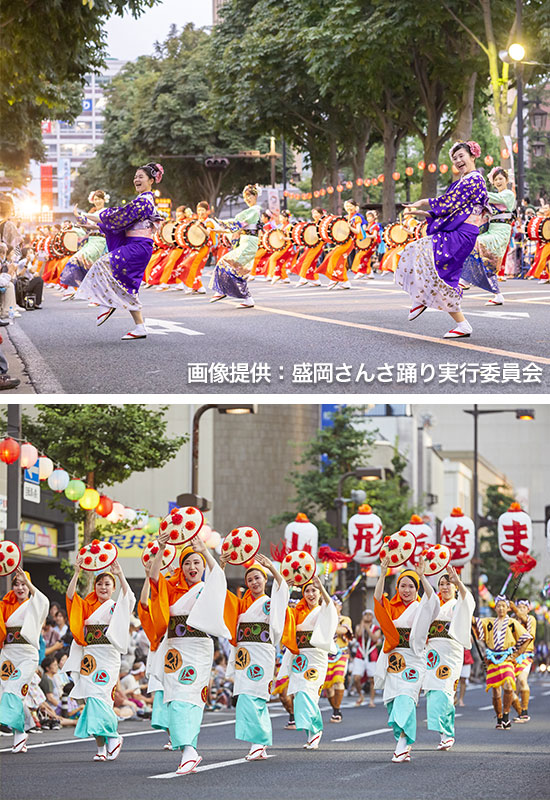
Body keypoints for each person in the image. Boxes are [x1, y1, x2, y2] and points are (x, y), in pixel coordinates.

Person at [148, 533, 230, 775]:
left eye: (196, 562)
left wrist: (205, 550)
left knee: (190, 695)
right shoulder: (171, 587)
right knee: (174, 697)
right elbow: (153, 578)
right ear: (181, 567)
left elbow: (219, 578)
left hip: (199, 647)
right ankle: (189, 748)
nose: (192, 567)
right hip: (174, 647)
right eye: (187, 563)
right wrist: (161, 548)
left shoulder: (207, 588)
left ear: (202, 565)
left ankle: (189, 751)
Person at [396, 140, 489, 338]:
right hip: (460, 231)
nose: (458, 161)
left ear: (473, 156)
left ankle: (421, 298)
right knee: (441, 275)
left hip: (463, 233)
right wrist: (424, 212)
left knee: (423, 253)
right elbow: (448, 207)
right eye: (454, 158)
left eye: (461, 156)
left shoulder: (474, 179)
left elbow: (448, 204)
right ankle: (461, 324)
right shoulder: (464, 181)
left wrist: (424, 203)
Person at [74, 162, 165, 340]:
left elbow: (118, 216)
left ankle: (106, 302)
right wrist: (92, 225)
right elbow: (120, 224)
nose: (136, 179)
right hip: (136, 245)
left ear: (151, 181)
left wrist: (87, 215)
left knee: (102, 264)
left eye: (141, 177)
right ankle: (140, 327)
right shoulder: (141, 201)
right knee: (128, 286)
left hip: (138, 246)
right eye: (135, 177)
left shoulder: (144, 202)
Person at [65, 557, 135, 761]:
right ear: (94, 586)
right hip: (90, 658)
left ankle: (113, 737)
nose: (103, 587)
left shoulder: (117, 606)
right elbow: (70, 597)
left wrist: (120, 574)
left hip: (108, 656)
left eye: (107, 584)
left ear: (113, 588)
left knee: (100, 697)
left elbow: (129, 597)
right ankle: (101, 749)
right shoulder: (87, 605)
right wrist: (77, 572)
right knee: (90, 699)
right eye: (99, 583)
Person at [222, 552, 289, 760]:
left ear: (265, 579)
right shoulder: (242, 604)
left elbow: (283, 590)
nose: (253, 582)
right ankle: (257, 741)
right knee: (244, 696)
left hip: (262, 652)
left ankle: (259, 742)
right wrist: (221, 568)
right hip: (244, 655)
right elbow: (221, 595)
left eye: (257, 578)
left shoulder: (271, 602)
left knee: (257, 696)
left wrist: (271, 567)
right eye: (249, 579)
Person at [373, 556, 438, 763]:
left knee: (406, 698)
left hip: (415, 659)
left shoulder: (422, 607)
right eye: (403, 585)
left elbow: (433, 600)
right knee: (393, 701)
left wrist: (422, 576)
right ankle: (404, 741)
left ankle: (401, 744)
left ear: (416, 588)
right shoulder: (391, 606)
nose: (406, 590)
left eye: (411, 586)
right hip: (393, 659)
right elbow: (377, 599)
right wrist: (382, 573)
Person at [280, 576, 338, 750]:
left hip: (316, 657)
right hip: (300, 658)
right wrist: (287, 590)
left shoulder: (323, 609)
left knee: (307, 691)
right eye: (307, 590)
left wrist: (322, 587)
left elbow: (331, 610)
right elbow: (282, 615)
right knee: (300, 694)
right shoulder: (297, 611)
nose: (311, 594)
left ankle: (316, 729)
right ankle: (311, 733)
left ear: (319, 593)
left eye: (314, 590)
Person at [422, 567, 475, 750]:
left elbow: (468, 600)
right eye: (441, 584)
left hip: (451, 652)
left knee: (445, 691)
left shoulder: (457, 604)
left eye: (448, 584)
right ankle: (443, 734)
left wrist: (458, 581)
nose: (445, 587)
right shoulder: (435, 605)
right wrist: (421, 576)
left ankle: (448, 733)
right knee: (433, 691)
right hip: (432, 653)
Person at [0, 567, 49, 753]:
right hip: (8, 654)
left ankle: (20, 730)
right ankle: (20, 733)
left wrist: (29, 582)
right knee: (7, 692)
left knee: (13, 688)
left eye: (23, 584)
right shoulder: (5, 605)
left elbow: (43, 600)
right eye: (16, 584)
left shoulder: (35, 604)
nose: (20, 588)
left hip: (27, 654)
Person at [474, 595, 533, 730]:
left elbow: (527, 637)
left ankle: (506, 716)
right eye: (499, 606)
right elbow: (474, 622)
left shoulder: (512, 623)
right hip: (492, 660)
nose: (501, 608)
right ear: (495, 608)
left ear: (507, 608)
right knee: (496, 692)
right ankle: (499, 717)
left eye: (504, 606)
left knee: (508, 684)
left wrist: (517, 654)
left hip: (507, 659)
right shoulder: (489, 622)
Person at [460, 167, 516, 305]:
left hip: (501, 231)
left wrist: (479, 191)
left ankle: (466, 280)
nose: (498, 182)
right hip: (491, 230)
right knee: (487, 263)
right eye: (496, 179)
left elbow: (494, 198)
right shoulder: (491, 197)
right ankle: (498, 295)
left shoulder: (508, 194)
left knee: (476, 243)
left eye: (501, 179)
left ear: (506, 180)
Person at [137, 555, 171, 749]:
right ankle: (172, 735)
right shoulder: (156, 626)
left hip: (178, 655)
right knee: (161, 700)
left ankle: (179, 735)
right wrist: (148, 577)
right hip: (160, 658)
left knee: (175, 699)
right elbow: (143, 604)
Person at [210, 184, 261, 308]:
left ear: (256, 196)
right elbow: (237, 227)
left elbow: (239, 224)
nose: (247, 199)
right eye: (245, 197)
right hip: (246, 241)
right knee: (237, 270)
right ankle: (246, 298)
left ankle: (223, 290)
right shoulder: (251, 210)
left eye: (250, 196)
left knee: (227, 263)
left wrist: (221, 224)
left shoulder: (255, 210)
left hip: (249, 242)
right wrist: (218, 229)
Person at [59, 190, 108, 299]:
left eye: (99, 199)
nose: (97, 201)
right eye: (95, 199)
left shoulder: (106, 212)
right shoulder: (93, 213)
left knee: (78, 259)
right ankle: (79, 291)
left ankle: (73, 289)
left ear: (104, 200)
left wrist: (78, 216)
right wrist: (75, 227)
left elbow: (96, 225)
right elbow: (85, 228)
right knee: (93, 270)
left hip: (100, 242)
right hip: (91, 241)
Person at [323, 595, 352, 723]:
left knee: (338, 680)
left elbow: (343, 630)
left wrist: (328, 625)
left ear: (340, 606)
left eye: (335, 604)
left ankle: (337, 711)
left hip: (341, 654)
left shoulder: (345, 619)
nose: (332, 607)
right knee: (328, 686)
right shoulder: (324, 618)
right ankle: (335, 709)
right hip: (326, 654)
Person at [510, 598, 537, 722]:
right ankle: (521, 712)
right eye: (518, 607)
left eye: (523, 608)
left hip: (526, 655)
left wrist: (514, 609)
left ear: (528, 609)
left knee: (522, 680)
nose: (520, 610)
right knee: (508, 687)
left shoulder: (531, 619)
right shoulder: (512, 620)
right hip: (512, 655)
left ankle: (525, 711)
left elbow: (529, 632)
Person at [352, 608, 381, 707]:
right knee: (356, 678)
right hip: (360, 654)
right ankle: (360, 695)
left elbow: (375, 638)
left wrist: (368, 628)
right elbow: (358, 635)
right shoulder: (359, 626)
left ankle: (371, 700)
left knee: (372, 679)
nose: (367, 616)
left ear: (372, 617)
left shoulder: (376, 628)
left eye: (369, 614)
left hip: (371, 655)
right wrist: (362, 624)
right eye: (365, 614)